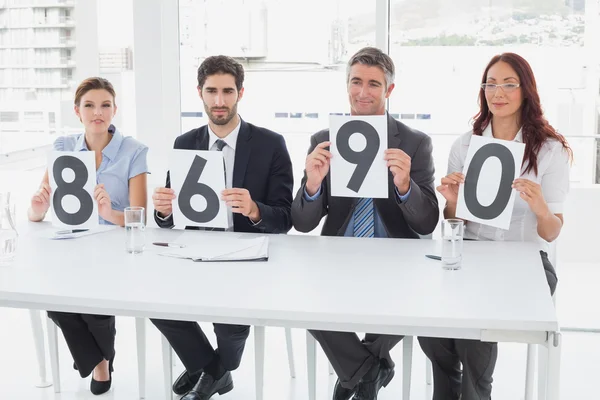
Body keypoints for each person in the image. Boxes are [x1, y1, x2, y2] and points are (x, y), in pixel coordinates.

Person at [418, 52, 571, 400]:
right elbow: (454, 222)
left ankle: (473, 392)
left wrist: (541, 208)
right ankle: (456, 389)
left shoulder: (550, 150)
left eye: (508, 84)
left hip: (526, 262)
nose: (497, 92)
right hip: (471, 252)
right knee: (430, 323)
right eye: (490, 83)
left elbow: (551, 231)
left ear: (526, 90)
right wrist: (453, 201)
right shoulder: (465, 144)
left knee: (472, 327)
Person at [291, 47, 439, 400]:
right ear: (346, 86)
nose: (363, 92)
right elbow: (302, 222)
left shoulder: (415, 143)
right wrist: (312, 184)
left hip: (397, 258)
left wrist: (406, 185)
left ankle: (355, 374)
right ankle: (368, 370)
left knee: (409, 297)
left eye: (374, 84)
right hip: (338, 256)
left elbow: (428, 221)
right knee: (303, 300)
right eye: (356, 82)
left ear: (389, 90)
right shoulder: (322, 141)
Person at [150, 55, 294, 400]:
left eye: (227, 91)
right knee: (154, 302)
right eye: (211, 91)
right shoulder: (184, 142)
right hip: (193, 251)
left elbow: (285, 217)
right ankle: (212, 369)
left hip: (244, 255)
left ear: (240, 93)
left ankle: (211, 372)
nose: (219, 101)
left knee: (230, 319)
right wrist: (163, 211)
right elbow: (169, 218)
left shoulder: (270, 144)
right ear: (199, 92)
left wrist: (255, 209)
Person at [28, 77, 149, 395]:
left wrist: (110, 214)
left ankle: (100, 365)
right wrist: (36, 208)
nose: (98, 112)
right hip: (70, 243)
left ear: (115, 110)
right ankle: (98, 360)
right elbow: (39, 211)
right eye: (90, 105)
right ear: (77, 111)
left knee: (94, 306)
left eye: (105, 105)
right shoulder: (63, 147)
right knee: (56, 304)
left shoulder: (133, 151)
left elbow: (140, 217)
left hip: (114, 248)